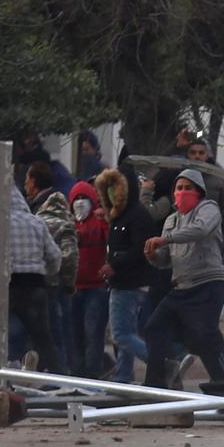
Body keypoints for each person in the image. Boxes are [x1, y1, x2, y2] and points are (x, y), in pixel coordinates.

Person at [142, 169, 224, 386]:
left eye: (188, 188)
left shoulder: (209, 209)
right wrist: (153, 255)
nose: (182, 192)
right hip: (180, 287)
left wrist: (166, 240)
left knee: (203, 336)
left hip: (206, 285)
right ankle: (156, 386)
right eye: (179, 188)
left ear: (199, 191)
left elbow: (200, 231)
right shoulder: (171, 220)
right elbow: (165, 260)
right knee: (154, 328)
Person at [95, 164, 157, 383]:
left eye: (115, 187)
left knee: (120, 334)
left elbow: (139, 248)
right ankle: (123, 376)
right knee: (127, 333)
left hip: (129, 283)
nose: (112, 192)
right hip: (123, 282)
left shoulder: (137, 215)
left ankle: (161, 363)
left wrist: (115, 265)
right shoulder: (119, 216)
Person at [6, 183, 65, 374]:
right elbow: (56, 255)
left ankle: (9, 372)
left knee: (6, 335)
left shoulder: (0, 223)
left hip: (8, 286)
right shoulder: (36, 222)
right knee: (43, 337)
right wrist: (47, 272)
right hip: (35, 286)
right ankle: (59, 377)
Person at [25, 161, 77, 372]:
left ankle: (58, 375)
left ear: (35, 182)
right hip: (56, 285)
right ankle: (60, 373)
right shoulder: (63, 217)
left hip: (46, 284)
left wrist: (60, 278)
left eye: (28, 180)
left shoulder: (37, 214)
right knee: (59, 334)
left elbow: (64, 255)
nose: (26, 185)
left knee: (51, 335)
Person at [69, 181, 109, 378]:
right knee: (75, 333)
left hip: (96, 287)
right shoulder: (69, 224)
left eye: (83, 198)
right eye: (76, 199)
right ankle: (77, 373)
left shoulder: (100, 222)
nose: (80, 202)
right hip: (74, 287)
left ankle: (93, 373)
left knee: (93, 332)